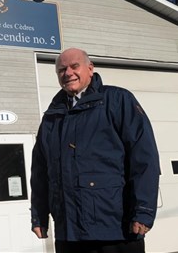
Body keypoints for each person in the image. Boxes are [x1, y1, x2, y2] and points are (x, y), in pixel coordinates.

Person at [30, 48, 160, 253]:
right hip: (69, 233)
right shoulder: (51, 117)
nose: (68, 73)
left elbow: (144, 159)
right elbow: (40, 172)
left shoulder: (118, 101)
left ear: (90, 69)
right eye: (62, 69)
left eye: (74, 66)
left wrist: (143, 211)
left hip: (115, 229)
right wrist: (39, 215)